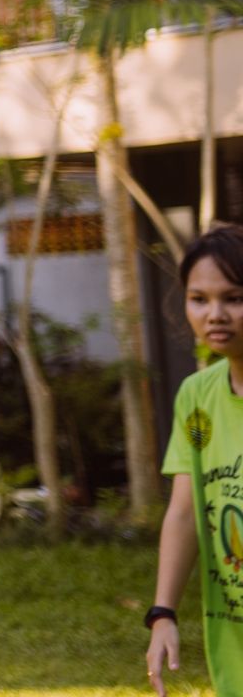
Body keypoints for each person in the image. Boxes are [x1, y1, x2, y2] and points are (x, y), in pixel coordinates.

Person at [148, 223, 243, 695]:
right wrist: (163, 611)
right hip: (233, 644)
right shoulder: (196, 395)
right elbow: (184, 511)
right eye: (199, 299)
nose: (216, 315)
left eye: (234, 298)